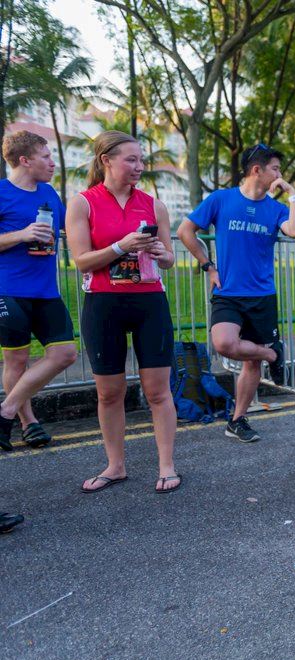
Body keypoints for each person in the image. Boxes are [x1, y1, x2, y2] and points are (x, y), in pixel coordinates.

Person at [66, 130, 181, 493]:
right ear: (106, 161)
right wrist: (121, 245)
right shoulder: (82, 203)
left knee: (158, 392)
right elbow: (81, 261)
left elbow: (169, 261)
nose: (139, 167)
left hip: (149, 302)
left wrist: (164, 255)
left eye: (141, 160)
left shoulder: (154, 205)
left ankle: (167, 465)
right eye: (131, 160)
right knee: (109, 393)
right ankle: (115, 466)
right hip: (103, 303)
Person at [177, 143, 295, 443]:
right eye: (275, 169)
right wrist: (208, 265)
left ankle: (238, 420)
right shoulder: (222, 199)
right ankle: (273, 353)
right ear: (257, 170)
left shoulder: (275, 209)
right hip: (228, 291)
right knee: (223, 343)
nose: (279, 174)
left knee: (251, 364)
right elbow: (185, 231)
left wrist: (292, 193)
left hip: (262, 294)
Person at [0, 131, 78, 452]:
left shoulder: (49, 193)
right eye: (45, 156)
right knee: (16, 361)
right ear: (24, 160)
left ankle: (4, 410)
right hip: (9, 290)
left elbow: (69, 230)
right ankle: (27, 421)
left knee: (65, 354)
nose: (52, 163)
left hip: (46, 291)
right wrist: (22, 234)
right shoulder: (2, 191)